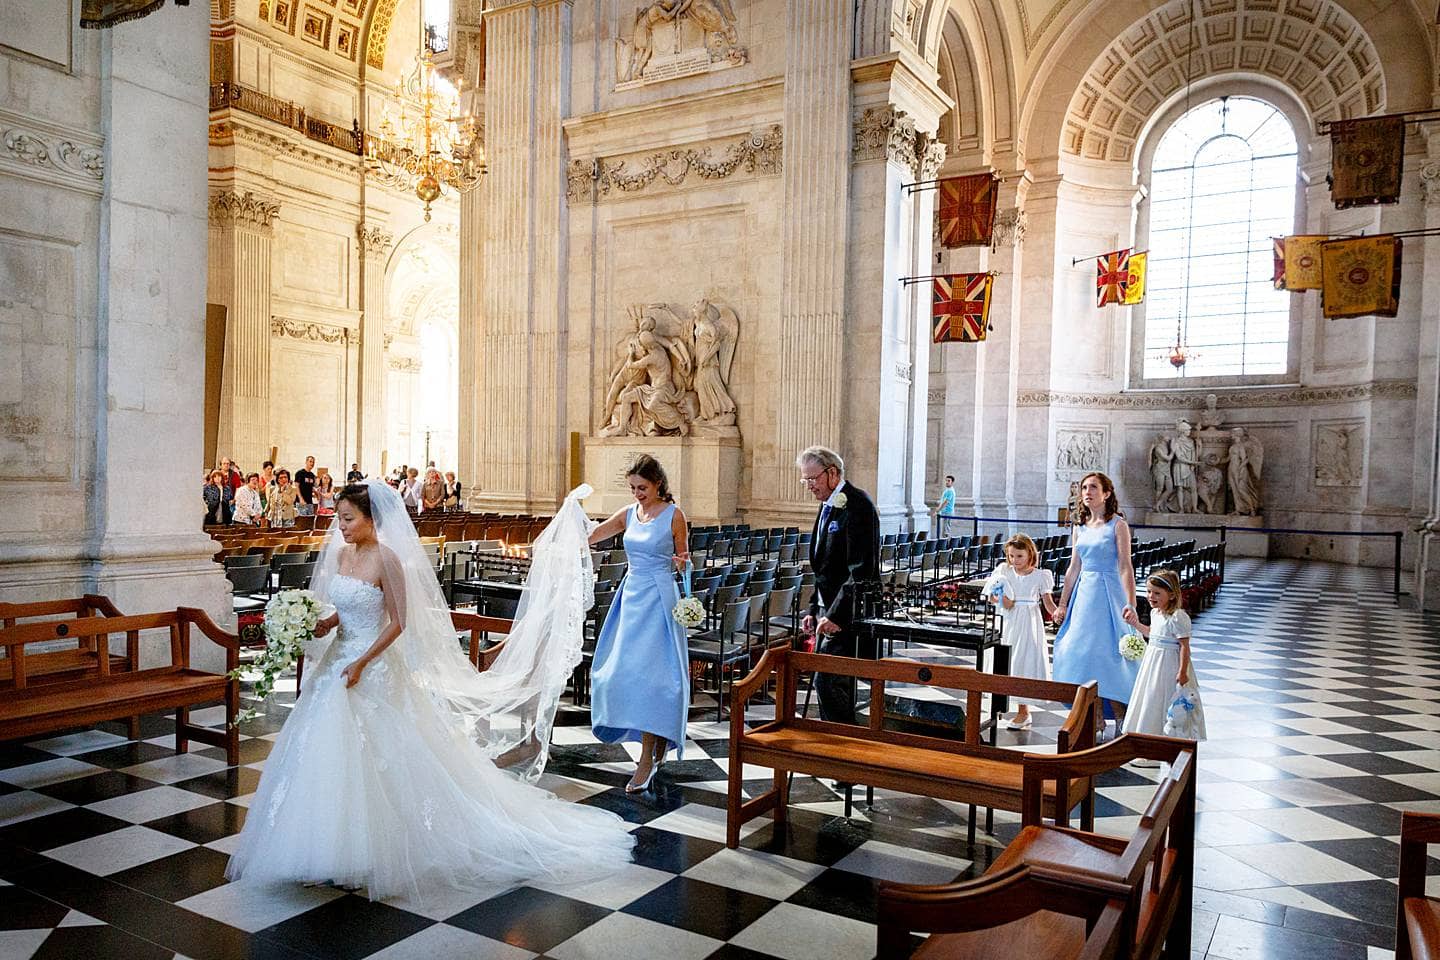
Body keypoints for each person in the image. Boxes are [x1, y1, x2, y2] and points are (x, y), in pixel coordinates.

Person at [225, 480, 633, 901]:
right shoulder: (344, 556)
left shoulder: (388, 560)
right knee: (324, 754)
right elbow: (343, 612)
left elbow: (398, 623)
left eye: (348, 519)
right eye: (338, 518)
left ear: (371, 519)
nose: (340, 527)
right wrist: (323, 624)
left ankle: (373, 851)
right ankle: (324, 849)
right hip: (338, 662)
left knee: (382, 757)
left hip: (373, 665)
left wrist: (363, 662)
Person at [587, 455, 690, 793]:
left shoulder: (675, 516)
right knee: (618, 674)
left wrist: (681, 564)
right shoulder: (628, 514)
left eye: (642, 487)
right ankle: (651, 746)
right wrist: (565, 524)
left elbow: (685, 563)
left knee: (655, 679)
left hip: (660, 599)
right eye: (632, 488)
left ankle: (648, 757)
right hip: (630, 598)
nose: (637, 494)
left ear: (657, 483)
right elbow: (593, 535)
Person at [798, 446, 880, 726]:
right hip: (826, 607)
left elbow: (860, 569)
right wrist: (813, 607)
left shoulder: (858, 505)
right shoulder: (827, 504)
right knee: (828, 681)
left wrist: (835, 615)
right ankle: (836, 741)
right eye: (805, 480)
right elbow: (823, 566)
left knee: (828, 682)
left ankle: (842, 744)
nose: (809, 486)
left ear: (832, 473)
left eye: (813, 479)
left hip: (847, 611)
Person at [1052, 471, 1138, 733]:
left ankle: (1122, 715)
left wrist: (1131, 603)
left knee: (1110, 654)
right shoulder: (1079, 526)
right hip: (1085, 594)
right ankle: (1096, 717)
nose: (1087, 492)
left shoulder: (1118, 525)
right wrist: (1063, 604)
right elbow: (1073, 567)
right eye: (1084, 488)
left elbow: (1125, 566)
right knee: (1084, 653)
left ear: (1107, 493)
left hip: (1110, 593)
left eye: (1093, 487)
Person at [1121, 569, 1206, 748]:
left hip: (1168, 664)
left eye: (1157, 593)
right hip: (1152, 662)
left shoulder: (1177, 617)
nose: (1151, 596)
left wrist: (1182, 672)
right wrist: (1135, 624)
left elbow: (1184, 646)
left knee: (1165, 698)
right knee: (1150, 697)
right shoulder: (1155, 614)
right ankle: (1147, 740)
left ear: (1172, 595)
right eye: (1149, 591)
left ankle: (1167, 741)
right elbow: (1152, 634)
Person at [982, 534, 1058, 730]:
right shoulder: (1003, 571)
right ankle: (999, 706)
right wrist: (1001, 599)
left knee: (1023, 660)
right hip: (1007, 620)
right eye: (1011, 556)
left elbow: (1048, 603)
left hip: (1028, 621)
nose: (1014, 561)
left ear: (1030, 554)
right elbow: (992, 596)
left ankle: (1024, 711)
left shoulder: (1041, 575)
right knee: (1004, 661)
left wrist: (1058, 614)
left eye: (1019, 556)